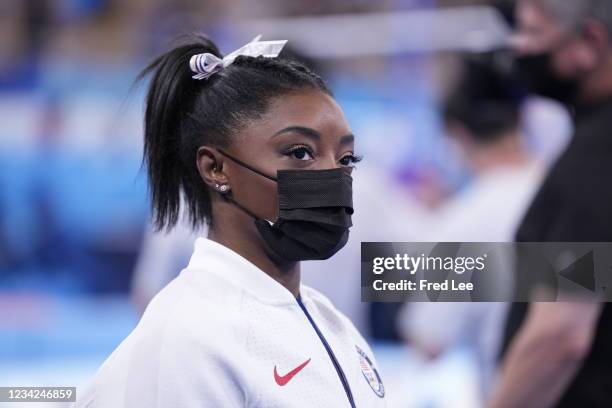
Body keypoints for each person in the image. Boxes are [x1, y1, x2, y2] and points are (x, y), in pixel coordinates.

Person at [74, 34, 386, 407]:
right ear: (216, 168)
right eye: (300, 153)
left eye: (347, 159)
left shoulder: (335, 325)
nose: (332, 176)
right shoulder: (188, 339)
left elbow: (431, 264)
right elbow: (146, 289)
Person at [398, 54, 545, 401]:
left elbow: (427, 340)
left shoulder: (465, 219)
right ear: (523, 119)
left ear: (455, 134)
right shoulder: (567, 191)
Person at [490, 1, 612, 407]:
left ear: (590, 41)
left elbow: (559, 337)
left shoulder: (597, 155)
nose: (519, 48)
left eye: (532, 32)